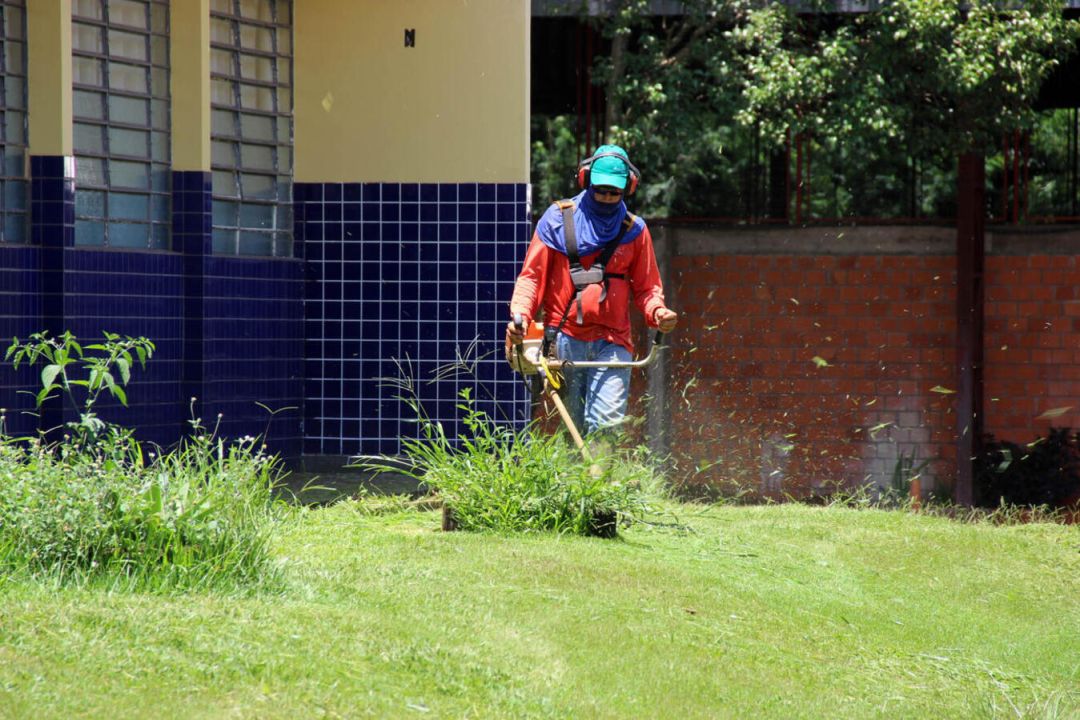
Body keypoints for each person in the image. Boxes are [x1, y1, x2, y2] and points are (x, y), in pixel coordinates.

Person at [506, 144, 678, 436]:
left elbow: (648, 288)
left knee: (606, 427)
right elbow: (532, 277)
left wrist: (657, 312)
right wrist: (520, 315)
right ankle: (581, 482)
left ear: (629, 188)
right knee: (573, 430)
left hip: (613, 341)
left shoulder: (635, 230)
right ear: (585, 180)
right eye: (601, 190)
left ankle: (603, 477)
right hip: (564, 340)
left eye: (614, 193)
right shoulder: (556, 220)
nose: (607, 198)